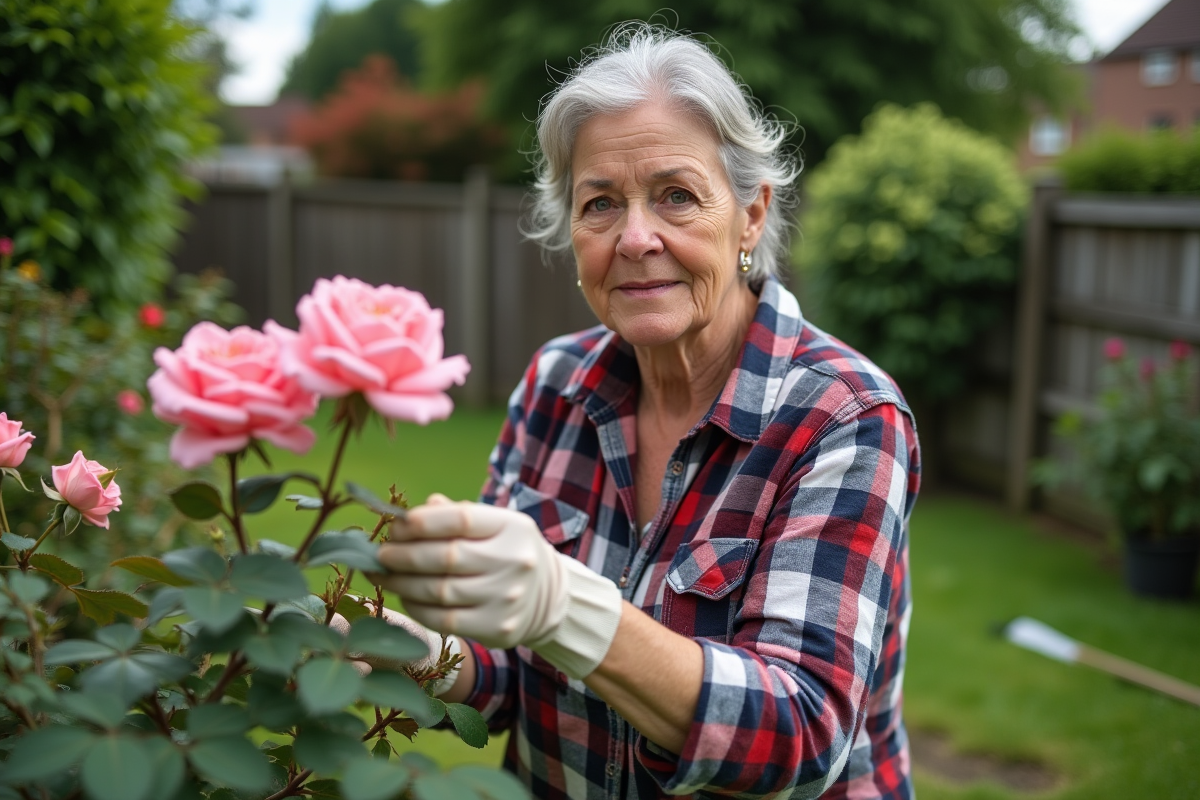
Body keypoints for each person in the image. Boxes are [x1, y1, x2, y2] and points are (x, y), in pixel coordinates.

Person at [367, 24, 920, 800]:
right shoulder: (557, 383)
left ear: (751, 216)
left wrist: (565, 607)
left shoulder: (844, 415)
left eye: (676, 196)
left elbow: (799, 733)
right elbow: (514, 672)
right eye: (600, 203)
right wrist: (415, 652)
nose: (634, 238)